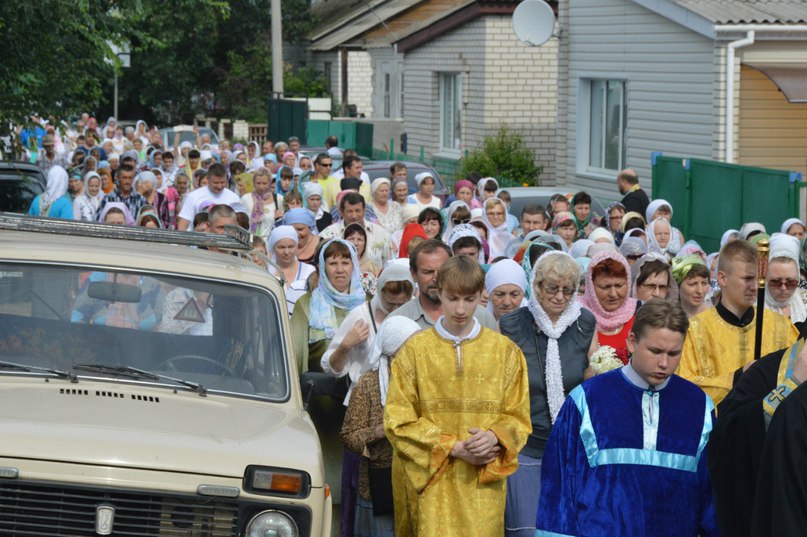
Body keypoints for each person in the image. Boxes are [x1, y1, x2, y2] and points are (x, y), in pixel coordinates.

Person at [536, 299, 719, 537]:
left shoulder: (698, 405)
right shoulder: (587, 399)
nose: (664, 363)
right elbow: (559, 485)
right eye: (655, 351)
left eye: (674, 353)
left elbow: (711, 492)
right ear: (632, 342)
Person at [384, 255, 531, 537]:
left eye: (469, 298)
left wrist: (495, 437)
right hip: (431, 489)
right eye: (452, 298)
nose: (461, 309)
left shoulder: (504, 352)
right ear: (438, 293)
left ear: (481, 296)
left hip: (482, 489)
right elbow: (397, 421)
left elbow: (518, 417)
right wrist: (453, 447)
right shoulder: (415, 351)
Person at [499, 251, 596, 537]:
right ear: (536, 286)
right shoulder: (511, 324)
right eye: (552, 288)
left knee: (566, 530)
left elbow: (592, 379)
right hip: (526, 445)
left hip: (572, 448)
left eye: (568, 289)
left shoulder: (585, 323)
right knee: (527, 531)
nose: (560, 297)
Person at [678, 239, 799, 406]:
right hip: (718, 427)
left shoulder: (781, 327)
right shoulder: (695, 330)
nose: (755, 286)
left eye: (758, 278)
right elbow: (684, 385)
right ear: (722, 278)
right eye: (747, 279)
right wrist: (737, 377)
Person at [341, 316, 422, 537]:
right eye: (411, 346)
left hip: (418, 482)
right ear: (394, 349)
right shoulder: (369, 383)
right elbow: (349, 436)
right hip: (381, 484)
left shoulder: (426, 382)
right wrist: (378, 431)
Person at [321, 262, 415, 388]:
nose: (395, 310)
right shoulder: (361, 316)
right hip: (365, 395)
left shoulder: (415, 313)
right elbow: (331, 368)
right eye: (390, 303)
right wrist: (345, 346)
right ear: (380, 294)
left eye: (401, 305)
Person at [391, 240, 499, 331]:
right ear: (413, 274)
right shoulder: (398, 321)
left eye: (442, 271)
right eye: (428, 272)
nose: (436, 278)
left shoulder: (481, 317)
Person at [580, 250, 638, 364]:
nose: (613, 294)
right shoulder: (577, 316)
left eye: (619, 285)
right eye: (605, 287)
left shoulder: (639, 312)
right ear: (591, 287)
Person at [320, 192, 394, 270]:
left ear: (364, 211)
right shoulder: (328, 235)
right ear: (341, 212)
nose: (354, 216)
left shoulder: (381, 234)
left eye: (357, 211)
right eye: (349, 211)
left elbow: (388, 264)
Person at [267, 225, 316, 315]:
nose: (286, 252)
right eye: (281, 247)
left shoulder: (309, 271)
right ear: (273, 247)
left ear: (297, 246)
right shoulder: (267, 273)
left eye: (291, 247)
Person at [176, 164, 240, 230]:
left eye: (222, 182)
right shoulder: (194, 196)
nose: (219, 186)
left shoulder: (234, 197)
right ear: (207, 179)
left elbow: (240, 223)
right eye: (216, 183)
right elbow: (184, 223)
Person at [764, 233, 807, 331]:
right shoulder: (752, 305)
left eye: (791, 282)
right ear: (766, 277)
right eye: (776, 282)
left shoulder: (804, 302)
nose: (783, 288)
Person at [240, 168, 278, 241]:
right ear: (254, 183)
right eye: (258, 183)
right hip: (250, 241)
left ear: (269, 183)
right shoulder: (245, 199)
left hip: (270, 242)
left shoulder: (278, 199)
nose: (261, 187)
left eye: (264, 183)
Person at [672, 253, 713, 318]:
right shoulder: (667, 318)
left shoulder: (714, 318)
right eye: (692, 284)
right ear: (677, 286)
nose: (700, 291)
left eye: (704, 283)